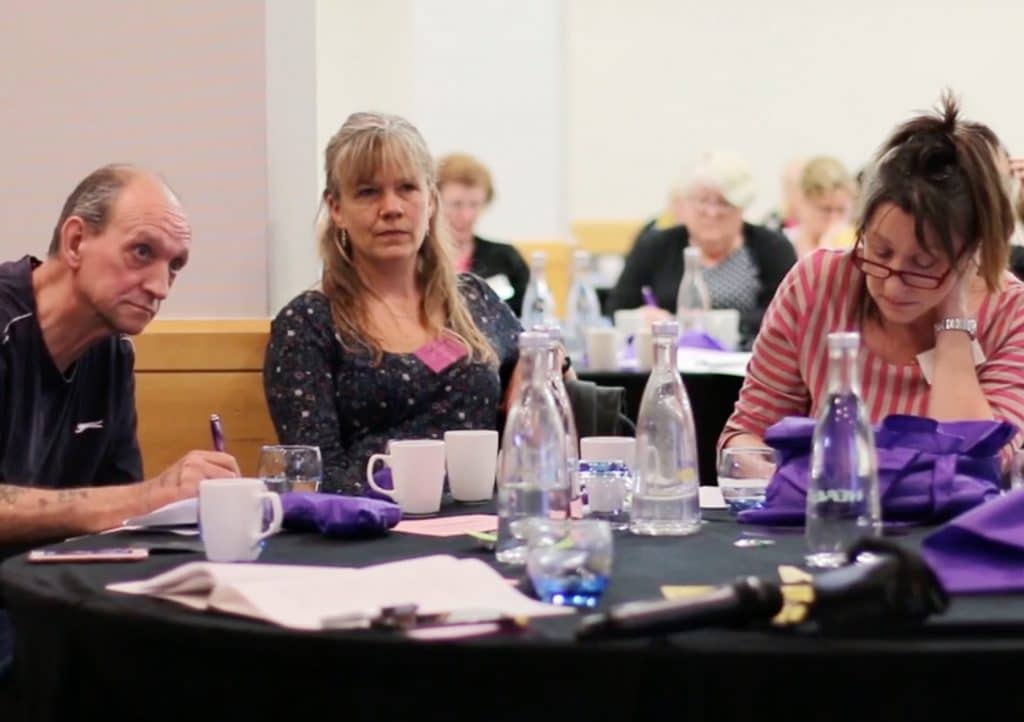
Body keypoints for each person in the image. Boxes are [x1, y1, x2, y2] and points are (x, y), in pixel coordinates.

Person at [0, 165, 240, 677]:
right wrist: (148, 497)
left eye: (175, 266)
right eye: (142, 253)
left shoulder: (112, 355)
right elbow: (128, 499)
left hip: (42, 589)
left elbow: (120, 509)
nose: (160, 286)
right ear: (76, 241)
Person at [720, 94, 1024, 464]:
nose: (892, 285)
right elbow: (747, 435)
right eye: (879, 252)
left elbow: (977, 464)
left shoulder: (1011, 311)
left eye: (924, 263)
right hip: (823, 513)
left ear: (971, 253)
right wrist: (801, 495)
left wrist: (953, 324)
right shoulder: (817, 283)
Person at [264, 113, 522, 495]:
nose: (392, 208)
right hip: (369, 534)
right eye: (368, 192)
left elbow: (545, 360)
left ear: (431, 200)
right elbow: (317, 477)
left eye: (407, 188)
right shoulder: (309, 323)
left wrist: (541, 365)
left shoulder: (475, 300)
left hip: (482, 526)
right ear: (336, 208)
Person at [605, 151, 797, 348]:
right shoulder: (655, 245)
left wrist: (714, 325)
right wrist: (640, 317)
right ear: (685, 204)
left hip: (746, 363)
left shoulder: (773, 247)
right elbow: (616, 309)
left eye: (724, 203)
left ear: (741, 207)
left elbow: (787, 315)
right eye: (703, 201)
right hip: (669, 357)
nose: (712, 212)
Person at [436, 153, 530, 316]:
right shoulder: (418, 260)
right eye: (456, 204)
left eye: (475, 205)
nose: (467, 215)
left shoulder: (506, 259)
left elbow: (529, 316)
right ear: (433, 203)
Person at [786, 156, 857, 257]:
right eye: (826, 210)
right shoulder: (784, 246)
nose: (834, 219)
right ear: (804, 202)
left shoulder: (857, 246)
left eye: (841, 210)